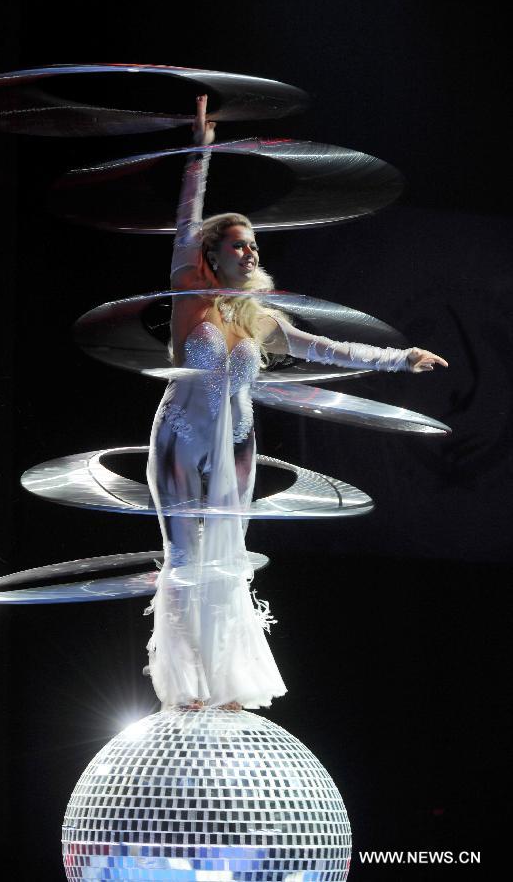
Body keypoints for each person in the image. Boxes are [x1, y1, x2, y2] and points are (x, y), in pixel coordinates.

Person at [144, 95, 447, 712]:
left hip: (237, 443)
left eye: (253, 244)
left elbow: (329, 350)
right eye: (236, 245)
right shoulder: (188, 297)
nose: (249, 252)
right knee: (184, 557)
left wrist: (400, 357)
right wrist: (200, 151)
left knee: (228, 558)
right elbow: (186, 219)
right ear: (211, 255)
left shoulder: (261, 317)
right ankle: (189, 687)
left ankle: (225, 685)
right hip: (180, 434)